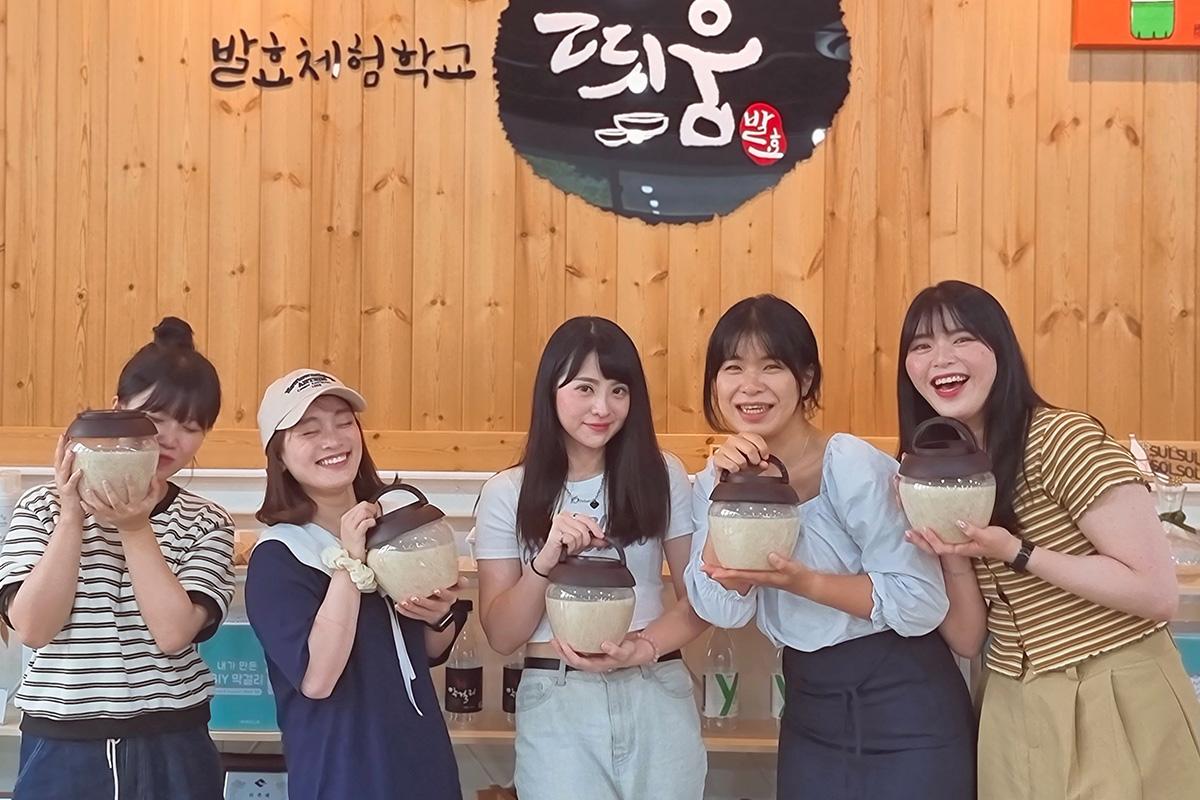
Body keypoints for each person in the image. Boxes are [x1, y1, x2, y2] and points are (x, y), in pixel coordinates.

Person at [898, 280, 1200, 800]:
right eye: (921, 346)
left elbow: (1156, 592)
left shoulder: (1062, 437)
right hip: (1009, 702)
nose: (940, 358)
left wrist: (1016, 552)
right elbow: (969, 640)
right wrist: (953, 558)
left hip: (1115, 688)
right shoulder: (941, 470)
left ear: (1001, 350)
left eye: (962, 338)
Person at [686, 295, 975, 799]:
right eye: (733, 368)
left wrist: (805, 582)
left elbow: (920, 602)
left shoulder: (850, 464)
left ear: (805, 380)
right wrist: (726, 491)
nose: (750, 385)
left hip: (908, 707)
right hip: (811, 710)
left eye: (771, 367)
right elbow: (720, 608)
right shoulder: (714, 481)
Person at [473, 317, 708, 800]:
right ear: (551, 391)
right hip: (557, 695)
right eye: (584, 388)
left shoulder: (664, 475)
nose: (603, 407)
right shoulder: (506, 492)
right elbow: (501, 635)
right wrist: (544, 562)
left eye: (619, 390)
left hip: (656, 686)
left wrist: (642, 647)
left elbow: (699, 601)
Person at [0, 317, 235, 800]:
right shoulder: (41, 506)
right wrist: (70, 517)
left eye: (191, 427)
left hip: (171, 738)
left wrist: (134, 526)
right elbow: (32, 628)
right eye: (156, 417)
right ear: (116, 409)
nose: (171, 439)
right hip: (61, 740)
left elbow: (173, 633)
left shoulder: (207, 520)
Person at [245, 369, 463, 800]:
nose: (333, 439)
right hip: (344, 773)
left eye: (344, 422)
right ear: (280, 456)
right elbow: (318, 678)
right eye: (309, 430)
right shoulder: (279, 556)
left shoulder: (396, 524)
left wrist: (440, 616)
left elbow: (428, 651)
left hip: (424, 760)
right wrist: (349, 562)